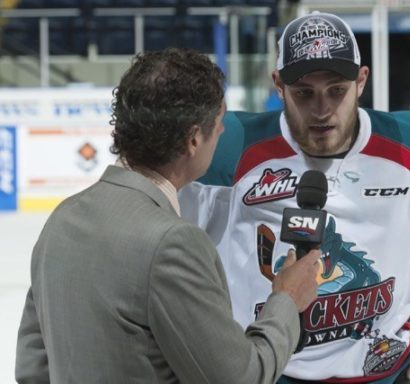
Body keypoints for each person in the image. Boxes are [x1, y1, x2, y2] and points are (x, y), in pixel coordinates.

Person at [179, 12, 410, 384]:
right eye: (304, 93)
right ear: (279, 86)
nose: (322, 110)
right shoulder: (221, 149)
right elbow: (154, 248)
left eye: (337, 90)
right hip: (260, 372)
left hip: (381, 373)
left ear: (361, 80)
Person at [15, 47, 322, 383]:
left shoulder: (62, 219)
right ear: (193, 140)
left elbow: (32, 369)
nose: (221, 133)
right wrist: (286, 301)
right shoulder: (172, 243)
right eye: (219, 123)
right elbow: (240, 377)